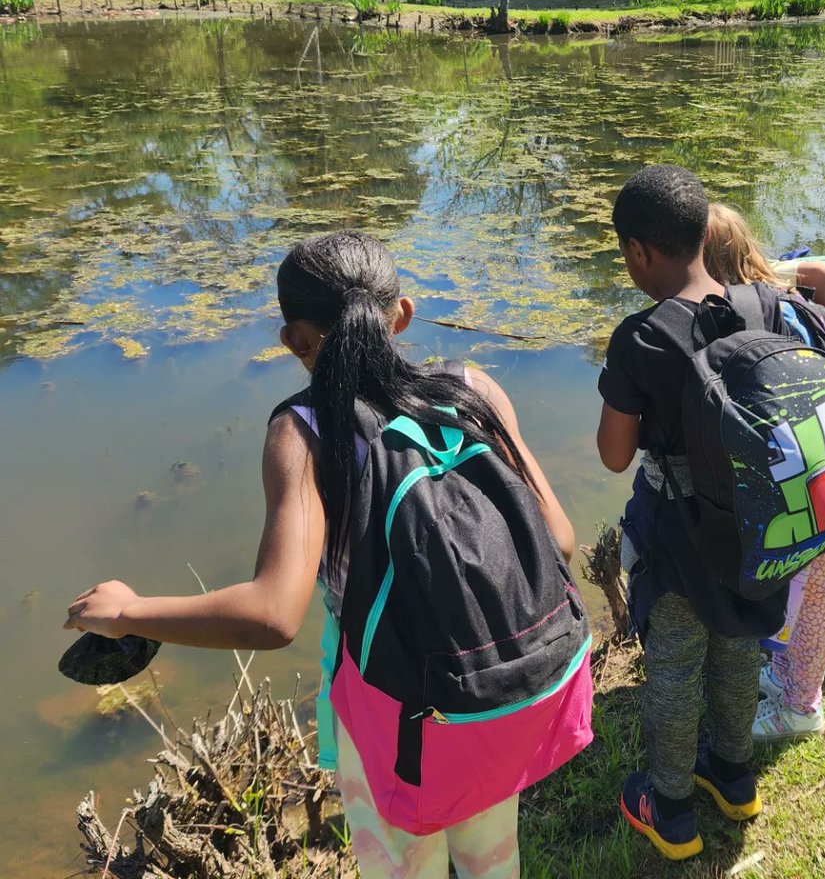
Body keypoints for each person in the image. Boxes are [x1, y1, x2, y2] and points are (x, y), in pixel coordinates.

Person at [64, 230, 577, 879]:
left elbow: (274, 614)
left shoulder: (304, 432)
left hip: (402, 710)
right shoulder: (474, 389)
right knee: (490, 850)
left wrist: (130, 610)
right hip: (506, 689)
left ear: (293, 341)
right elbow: (557, 538)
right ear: (404, 315)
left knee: (404, 861)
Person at [597, 167, 789, 862]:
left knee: (674, 663)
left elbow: (615, 455)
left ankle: (671, 809)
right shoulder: (762, 304)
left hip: (678, 532)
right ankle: (735, 778)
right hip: (759, 521)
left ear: (638, 252)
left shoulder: (639, 338)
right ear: (707, 231)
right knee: (740, 645)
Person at [703, 202, 825, 743]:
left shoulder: (732, 320)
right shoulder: (797, 306)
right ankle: (790, 682)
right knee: (817, 597)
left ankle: (799, 708)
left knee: (792, 599)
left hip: (787, 493)